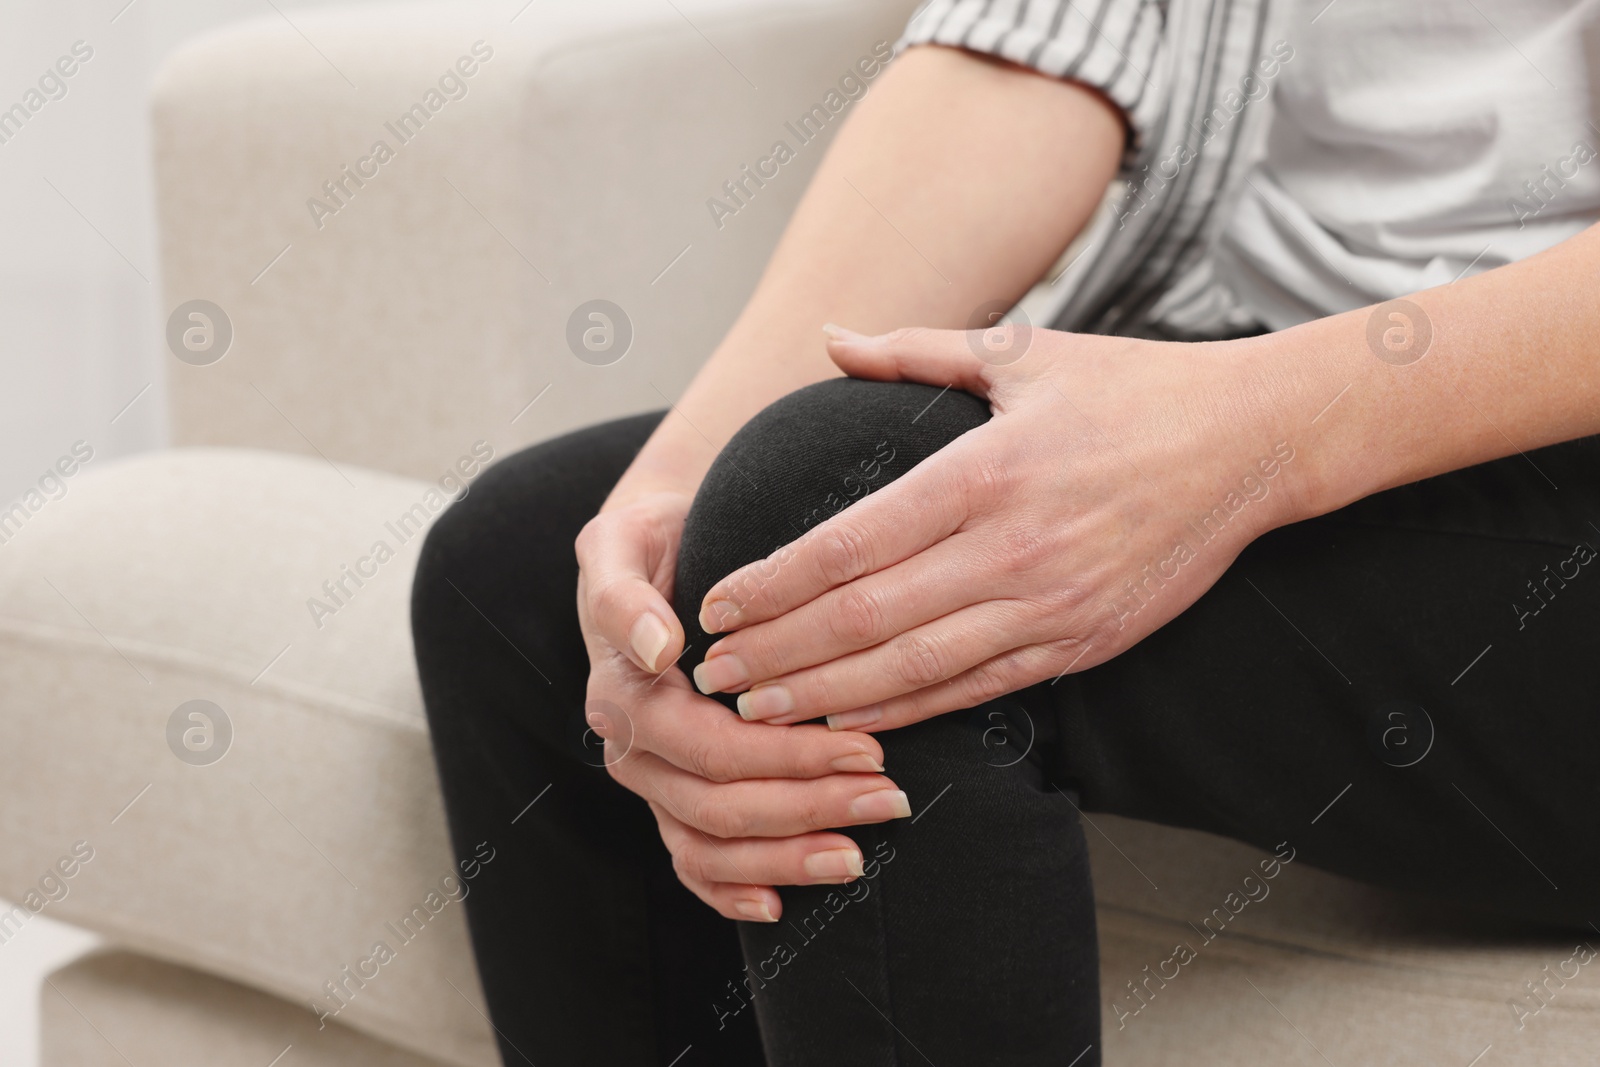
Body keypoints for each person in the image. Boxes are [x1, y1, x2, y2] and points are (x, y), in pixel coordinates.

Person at [412, 1, 1600, 1063]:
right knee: (524, 568)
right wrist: (665, 496)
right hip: (1263, 344)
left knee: (839, 522)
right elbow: (1041, 51)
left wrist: (1260, 433)